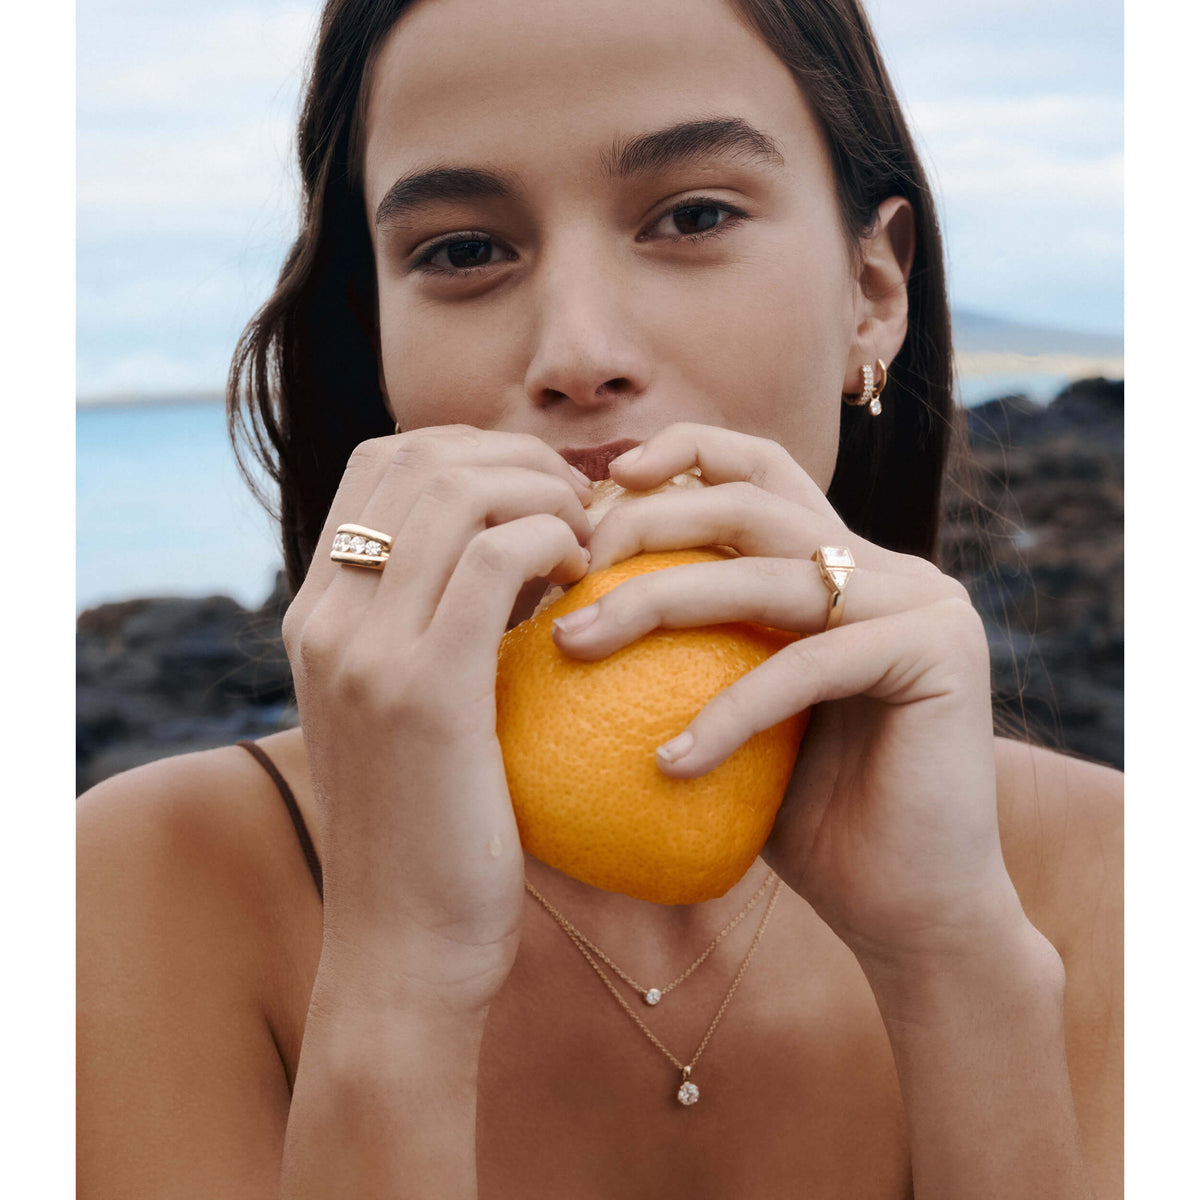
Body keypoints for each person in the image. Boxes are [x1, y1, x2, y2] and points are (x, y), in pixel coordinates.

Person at [77, 0, 1123, 1195]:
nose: (578, 352)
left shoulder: (1113, 873)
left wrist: (958, 971)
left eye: (693, 215)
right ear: (379, 340)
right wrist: (398, 978)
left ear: (871, 288)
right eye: (463, 250)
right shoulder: (137, 890)